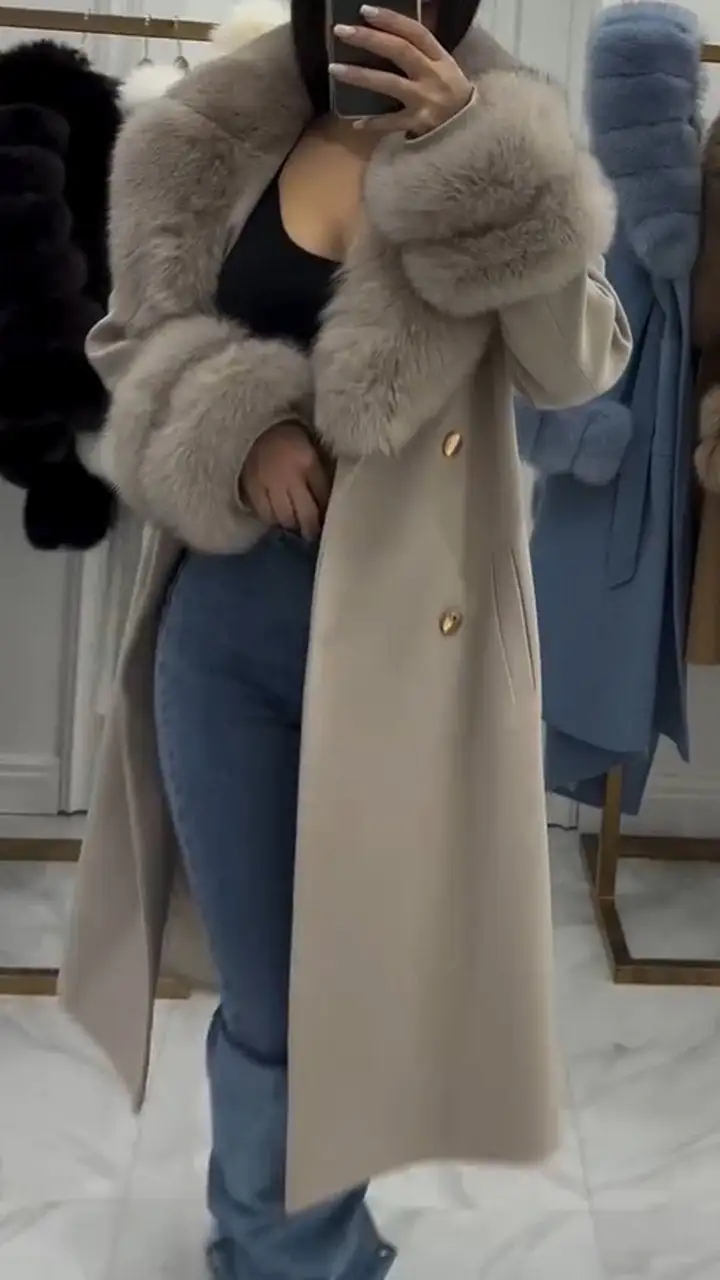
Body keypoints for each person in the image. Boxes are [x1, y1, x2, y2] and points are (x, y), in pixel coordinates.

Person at [60, 2, 631, 1278]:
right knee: (271, 990)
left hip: (413, 648)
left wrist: (477, 154)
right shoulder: (205, 136)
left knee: (352, 984)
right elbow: (129, 342)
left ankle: (292, 1239)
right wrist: (242, 427)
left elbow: (578, 367)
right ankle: (287, 1250)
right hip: (224, 625)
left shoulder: (509, 139)